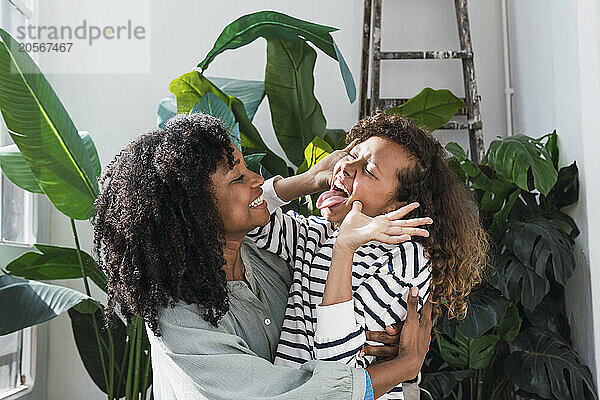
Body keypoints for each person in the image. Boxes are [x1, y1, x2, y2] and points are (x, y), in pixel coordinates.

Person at [91, 112, 433, 400]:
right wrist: (403, 367)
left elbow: (354, 333)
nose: (257, 179)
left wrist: (311, 180)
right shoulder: (181, 319)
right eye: (238, 177)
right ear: (196, 213)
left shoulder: (268, 248)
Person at [246, 112, 488, 399]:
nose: (347, 166)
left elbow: (337, 370)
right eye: (353, 155)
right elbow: (249, 218)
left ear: (396, 206)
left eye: (369, 170)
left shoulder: (406, 259)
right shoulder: (320, 234)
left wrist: (344, 249)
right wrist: (310, 179)